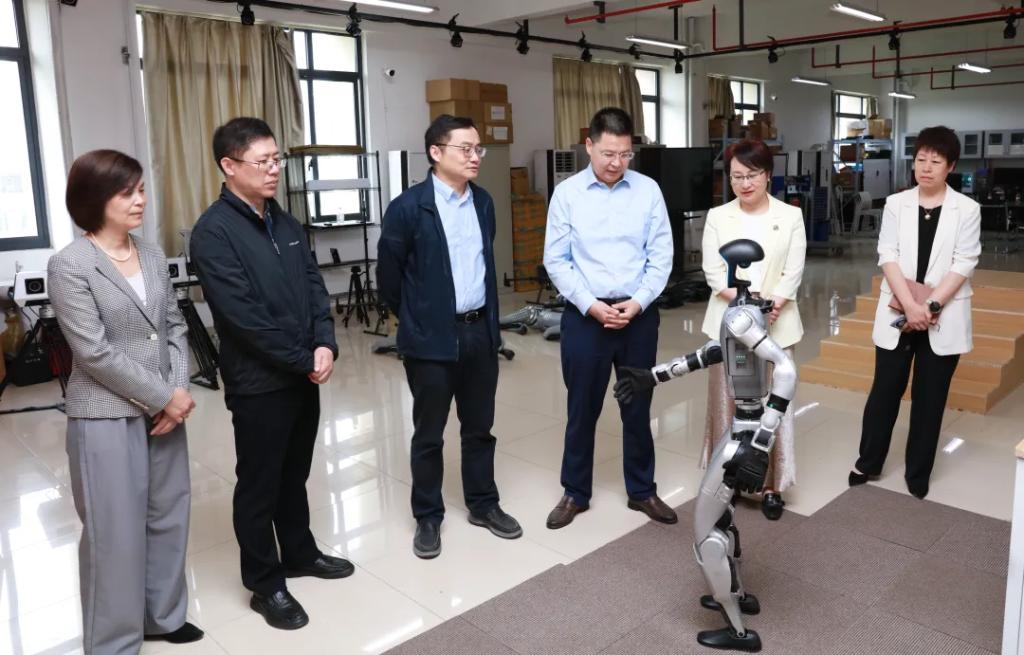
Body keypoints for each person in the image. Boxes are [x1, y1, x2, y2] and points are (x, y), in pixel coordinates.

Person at [190, 117, 351, 631]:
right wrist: (304, 358)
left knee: (294, 473)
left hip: (303, 373)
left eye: (277, 159)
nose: (274, 169)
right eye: (263, 161)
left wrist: (324, 343)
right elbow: (244, 318)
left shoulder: (283, 220)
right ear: (229, 165)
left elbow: (314, 287)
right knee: (259, 484)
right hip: (259, 384)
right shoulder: (214, 233)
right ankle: (265, 583)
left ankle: (300, 553)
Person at [48, 149, 202, 653]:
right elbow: (93, 352)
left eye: (140, 189)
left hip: (166, 409)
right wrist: (163, 396)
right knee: (113, 531)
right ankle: (113, 641)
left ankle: (163, 615)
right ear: (94, 199)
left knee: (168, 514)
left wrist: (177, 390)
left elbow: (174, 325)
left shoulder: (151, 253)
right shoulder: (71, 264)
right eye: (127, 192)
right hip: (105, 415)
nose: (140, 200)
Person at [377, 114, 522, 559]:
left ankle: (483, 503)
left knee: (479, 428)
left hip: (479, 332)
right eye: (466, 149)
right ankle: (428, 516)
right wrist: (418, 319)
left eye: (478, 149)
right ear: (436, 152)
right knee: (429, 434)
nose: (475, 157)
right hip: (430, 340)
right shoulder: (408, 207)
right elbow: (389, 279)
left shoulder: (483, 202)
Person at [542, 106, 675, 530]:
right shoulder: (567, 194)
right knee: (582, 408)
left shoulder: (648, 191)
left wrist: (638, 302)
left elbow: (661, 255)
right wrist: (590, 305)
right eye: (608, 154)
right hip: (587, 317)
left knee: (638, 407)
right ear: (589, 146)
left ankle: (642, 490)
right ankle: (574, 492)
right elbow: (556, 260)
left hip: (638, 316)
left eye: (625, 154)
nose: (617, 163)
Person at [850, 125, 981, 499]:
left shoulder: (966, 209)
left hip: (944, 313)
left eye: (936, 161)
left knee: (930, 397)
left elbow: (964, 261)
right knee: (884, 391)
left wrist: (930, 306)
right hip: (899, 307)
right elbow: (887, 255)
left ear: (950, 166)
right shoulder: (897, 204)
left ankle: (918, 471)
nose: (926, 167)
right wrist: (910, 305)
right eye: (921, 159)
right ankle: (868, 461)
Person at [700, 139, 806, 520]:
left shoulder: (790, 216)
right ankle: (725, 482)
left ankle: (771, 485)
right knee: (727, 405)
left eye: (752, 175)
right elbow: (714, 273)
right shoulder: (718, 216)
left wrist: (769, 307)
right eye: (736, 177)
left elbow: (793, 271)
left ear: (768, 175)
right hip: (729, 323)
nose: (744, 184)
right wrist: (747, 310)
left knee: (774, 406)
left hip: (777, 323)